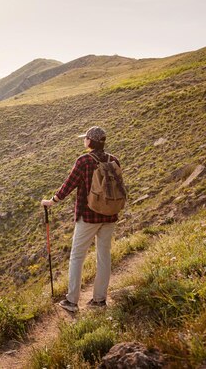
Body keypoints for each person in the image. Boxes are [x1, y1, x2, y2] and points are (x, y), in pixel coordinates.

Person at [41, 126, 120, 313]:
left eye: (86, 139)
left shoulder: (84, 161)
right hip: (110, 215)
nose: (84, 141)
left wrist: (52, 201)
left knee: (77, 257)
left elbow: (68, 185)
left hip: (88, 216)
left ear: (90, 141)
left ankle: (71, 301)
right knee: (104, 256)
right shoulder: (114, 160)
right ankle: (99, 301)